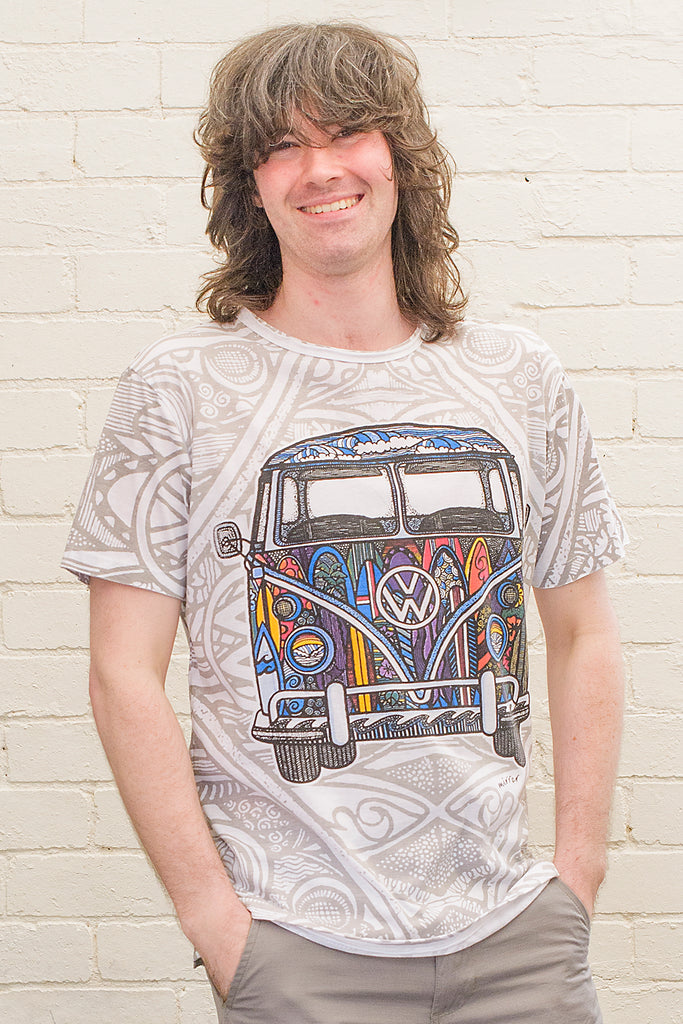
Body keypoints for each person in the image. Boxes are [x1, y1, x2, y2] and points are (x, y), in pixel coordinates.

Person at [62, 22, 626, 1024]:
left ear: (398, 159)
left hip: (517, 943)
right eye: (281, 146)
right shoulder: (178, 390)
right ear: (251, 187)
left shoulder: (518, 377)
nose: (319, 169)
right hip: (294, 949)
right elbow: (121, 672)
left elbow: (581, 633)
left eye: (348, 134)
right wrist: (222, 929)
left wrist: (572, 884)